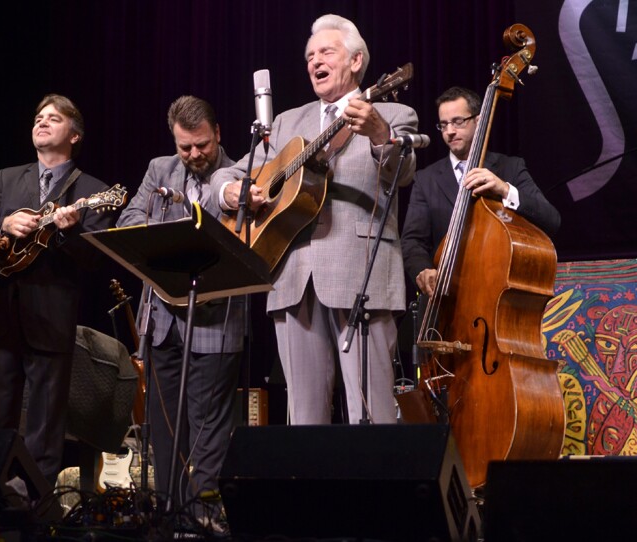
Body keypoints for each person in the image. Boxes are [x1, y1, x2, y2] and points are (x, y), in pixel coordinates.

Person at [210, 14, 418, 426]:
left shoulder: (393, 112)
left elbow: (403, 174)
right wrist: (228, 192)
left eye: (326, 51)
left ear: (356, 61)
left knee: (372, 416)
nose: (314, 62)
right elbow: (237, 171)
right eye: (309, 56)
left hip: (360, 273)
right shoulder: (289, 121)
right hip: (292, 278)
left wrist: (379, 135)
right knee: (303, 420)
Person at [0, 94, 115, 488]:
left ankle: (35, 498)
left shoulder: (94, 189)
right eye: (38, 117)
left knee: (45, 422)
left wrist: (70, 232)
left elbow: (95, 258)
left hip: (52, 316)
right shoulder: (7, 177)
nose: (42, 122)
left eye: (54, 118)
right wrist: (4, 224)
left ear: (75, 135)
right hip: (2, 309)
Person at [116, 96, 242, 522]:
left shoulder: (239, 172)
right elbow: (129, 219)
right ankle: (172, 515)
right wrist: (165, 234)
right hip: (162, 323)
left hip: (214, 320)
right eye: (184, 147)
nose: (193, 155)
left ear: (218, 133)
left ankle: (203, 516)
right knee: (166, 433)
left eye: (202, 145)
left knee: (207, 430)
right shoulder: (160, 169)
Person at [400, 86, 561, 296]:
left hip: (498, 293)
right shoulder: (425, 179)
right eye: (444, 124)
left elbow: (551, 220)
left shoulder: (510, 168)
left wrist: (504, 189)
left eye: (458, 122)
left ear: (478, 121)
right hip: (446, 298)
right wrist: (424, 270)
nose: (450, 131)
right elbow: (412, 241)